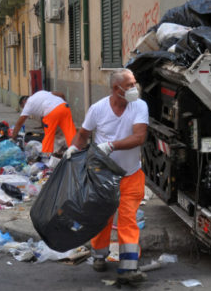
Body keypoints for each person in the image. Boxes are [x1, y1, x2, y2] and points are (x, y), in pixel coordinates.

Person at [64, 68, 149, 285]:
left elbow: (139, 137)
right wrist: (74, 148)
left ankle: (128, 267)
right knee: (102, 218)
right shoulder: (98, 109)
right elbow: (84, 134)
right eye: (129, 85)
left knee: (128, 218)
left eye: (134, 83)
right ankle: (99, 256)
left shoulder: (139, 106)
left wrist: (112, 145)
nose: (134, 88)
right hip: (103, 176)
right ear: (116, 89)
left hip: (130, 175)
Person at [11, 90, 76, 154]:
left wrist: (13, 137)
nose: (24, 109)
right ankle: (76, 151)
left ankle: (46, 155)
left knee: (49, 135)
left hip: (51, 112)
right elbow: (61, 94)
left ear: (24, 102)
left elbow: (20, 122)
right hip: (64, 107)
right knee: (70, 131)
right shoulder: (41, 93)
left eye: (23, 107)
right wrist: (63, 102)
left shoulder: (28, 103)